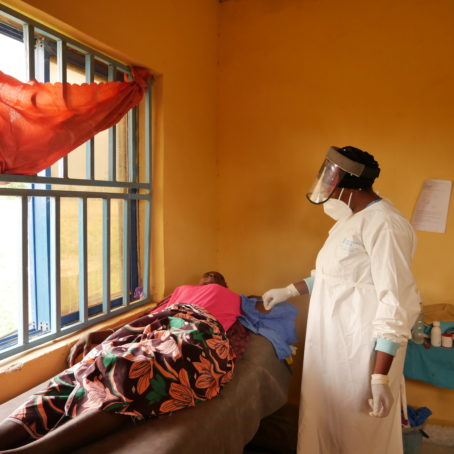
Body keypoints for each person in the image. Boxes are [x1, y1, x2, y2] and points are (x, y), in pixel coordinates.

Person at [262, 146, 420, 454]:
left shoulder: (385, 225)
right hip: (333, 348)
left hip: (362, 353)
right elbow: (338, 277)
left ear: (347, 184)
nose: (324, 185)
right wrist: (290, 290)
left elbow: (398, 300)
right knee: (324, 426)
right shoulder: (350, 220)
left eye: (330, 178)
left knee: (359, 435)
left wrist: (379, 377)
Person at [0, 271, 242, 454]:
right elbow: (153, 315)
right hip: (162, 322)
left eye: (215, 277)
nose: (210, 279)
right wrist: (108, 332)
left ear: (225, 285)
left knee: (141, 368)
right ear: (200, 282)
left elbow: (256, 318)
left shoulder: (235, 298)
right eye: (207, 276)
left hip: (201, 326)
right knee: (86, 369)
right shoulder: (182, 290)